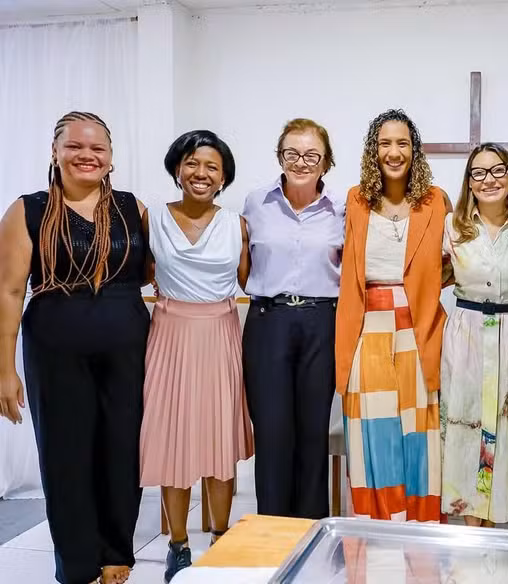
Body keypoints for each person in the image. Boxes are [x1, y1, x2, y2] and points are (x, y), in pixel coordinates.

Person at [0, 111, 148, 584]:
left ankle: (116, 551)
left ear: (111, 158)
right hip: (54, 348)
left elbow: (151, 272)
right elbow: (7, 291)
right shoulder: (28, 209)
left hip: (128, 347)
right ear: (56, 152)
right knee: (66, 455)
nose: (86, 155)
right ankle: (77, 562)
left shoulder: (132, 207)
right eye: (75, 146)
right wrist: (5, 369)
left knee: (122, 450)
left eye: (97, 148)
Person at [138, 130, 254, 582]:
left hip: (220, 333)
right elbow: (144, 272)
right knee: (174, 441)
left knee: (218, 441)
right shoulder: (152, 219)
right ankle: (178, 545)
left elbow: (248, 281)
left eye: (211, 166)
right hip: (169, 333)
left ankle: (221, 540)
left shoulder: (237, 225)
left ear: (223, 177)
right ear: (176, 169)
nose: (200, 173)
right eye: (191, 163)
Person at [335, 109, 451, 523]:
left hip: (418, 327)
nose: (394, 151)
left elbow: (454, 262)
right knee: (375, 434)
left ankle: (421, 537)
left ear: (414, 150)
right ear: (373, 150)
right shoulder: (356, 199)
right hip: (368, 325)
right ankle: (378, 534)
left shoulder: (435, 200)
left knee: (419, 436)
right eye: (385, 143)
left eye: (402, 143)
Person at [241, 118, 344, 519]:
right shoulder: (255, 202)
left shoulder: (341, 209)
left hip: (322, 321)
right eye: (292, 153)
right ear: (280, 156)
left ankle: (310, 531)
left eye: (311, 155)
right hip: (269, 320)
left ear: (325, 162)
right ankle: (271, 530)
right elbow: (242, 264)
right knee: (272, 431)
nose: (301, 162)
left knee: (312, 432)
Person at [440, 142, 508, 527]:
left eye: (498, 170)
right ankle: (472, 530)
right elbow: (436, 275)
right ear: (469, 181)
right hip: (467, 336)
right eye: (479, 172)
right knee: (468, 426)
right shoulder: (453, 226)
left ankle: (499, 526)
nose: (489, 180)